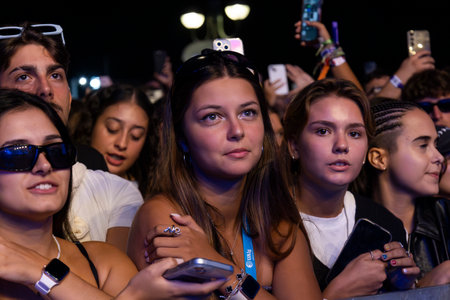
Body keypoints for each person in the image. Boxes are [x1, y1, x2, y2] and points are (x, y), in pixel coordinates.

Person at [127, 49, 322, 300]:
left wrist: (221, 270)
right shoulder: (167, 218)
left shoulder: (276, 218)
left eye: (248, 112)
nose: (237, 130)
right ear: (183, 138)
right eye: (212, 117)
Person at [0, 88, 224, 299]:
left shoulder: (104, 262)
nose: (45, 165)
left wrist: (39, 272)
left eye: (57, 151)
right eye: (18, 153)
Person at [0, 22, 143, 252]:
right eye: (24, 76)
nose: (45, 88)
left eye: (55, 75)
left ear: (68, 96)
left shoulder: (114, 192)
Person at [282, 78, 419, 299]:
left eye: (354, 133)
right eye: (323, 131)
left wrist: (404, 288)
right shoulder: (264, 219)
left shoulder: (385, 224)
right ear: (294, 145)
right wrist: (334, 294)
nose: (342, 145)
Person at [358, 100, 450, 287]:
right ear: (379, 158)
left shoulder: (446, 215)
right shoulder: (348, 227)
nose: (439, 157)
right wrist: (421, 289)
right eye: (423, 145)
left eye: (436, 145)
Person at [73, 84, 157, 196]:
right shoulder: (66, 182)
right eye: (112, 129)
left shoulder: (148, 198)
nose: (122, 144)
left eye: (135, 136)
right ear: (91, 123)